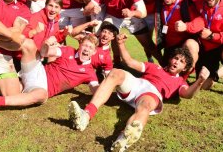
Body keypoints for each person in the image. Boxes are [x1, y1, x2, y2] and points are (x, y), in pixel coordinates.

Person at [68, 34, 210, 152]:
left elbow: (188, 94)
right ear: (171, 59)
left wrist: (199, 81)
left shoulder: (180, 82)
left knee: (146, 105)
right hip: (136, 84)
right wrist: (121, 44)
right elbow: (129, 62)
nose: (176, 62)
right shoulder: (154, 67)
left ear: (184, 68)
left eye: (181, 62)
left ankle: (123, 139)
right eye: (176, 58)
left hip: (151, 94)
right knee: (115, 72)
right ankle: (86, 115)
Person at [0, 34, 100, 118]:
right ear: (80, 45)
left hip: (38, 87)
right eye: (85, 45)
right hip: (37, 71)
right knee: (29, 44)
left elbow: (96, 89)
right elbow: (46, 52)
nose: (87, 49)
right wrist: (46, 46)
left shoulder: (90, 72)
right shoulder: (68, 50)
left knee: (30, 94)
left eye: (90, 48)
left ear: (93, 52)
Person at [83, 0, 146, 64]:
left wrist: (131, 13)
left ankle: (158, 64)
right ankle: (111, 63)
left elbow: (143, 12)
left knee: (147, 44)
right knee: (106, 35)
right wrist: (92, 10)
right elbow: (85, 11)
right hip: (113, 16)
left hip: (131, 16)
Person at [155, 0, 204, 72]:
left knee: (191, 44)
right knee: (166, 73)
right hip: (170, 47)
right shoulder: (159, 4)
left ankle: (184, 77)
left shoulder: (186, 2)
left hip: (185, 44)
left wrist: (186, 26)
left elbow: (201, 21)